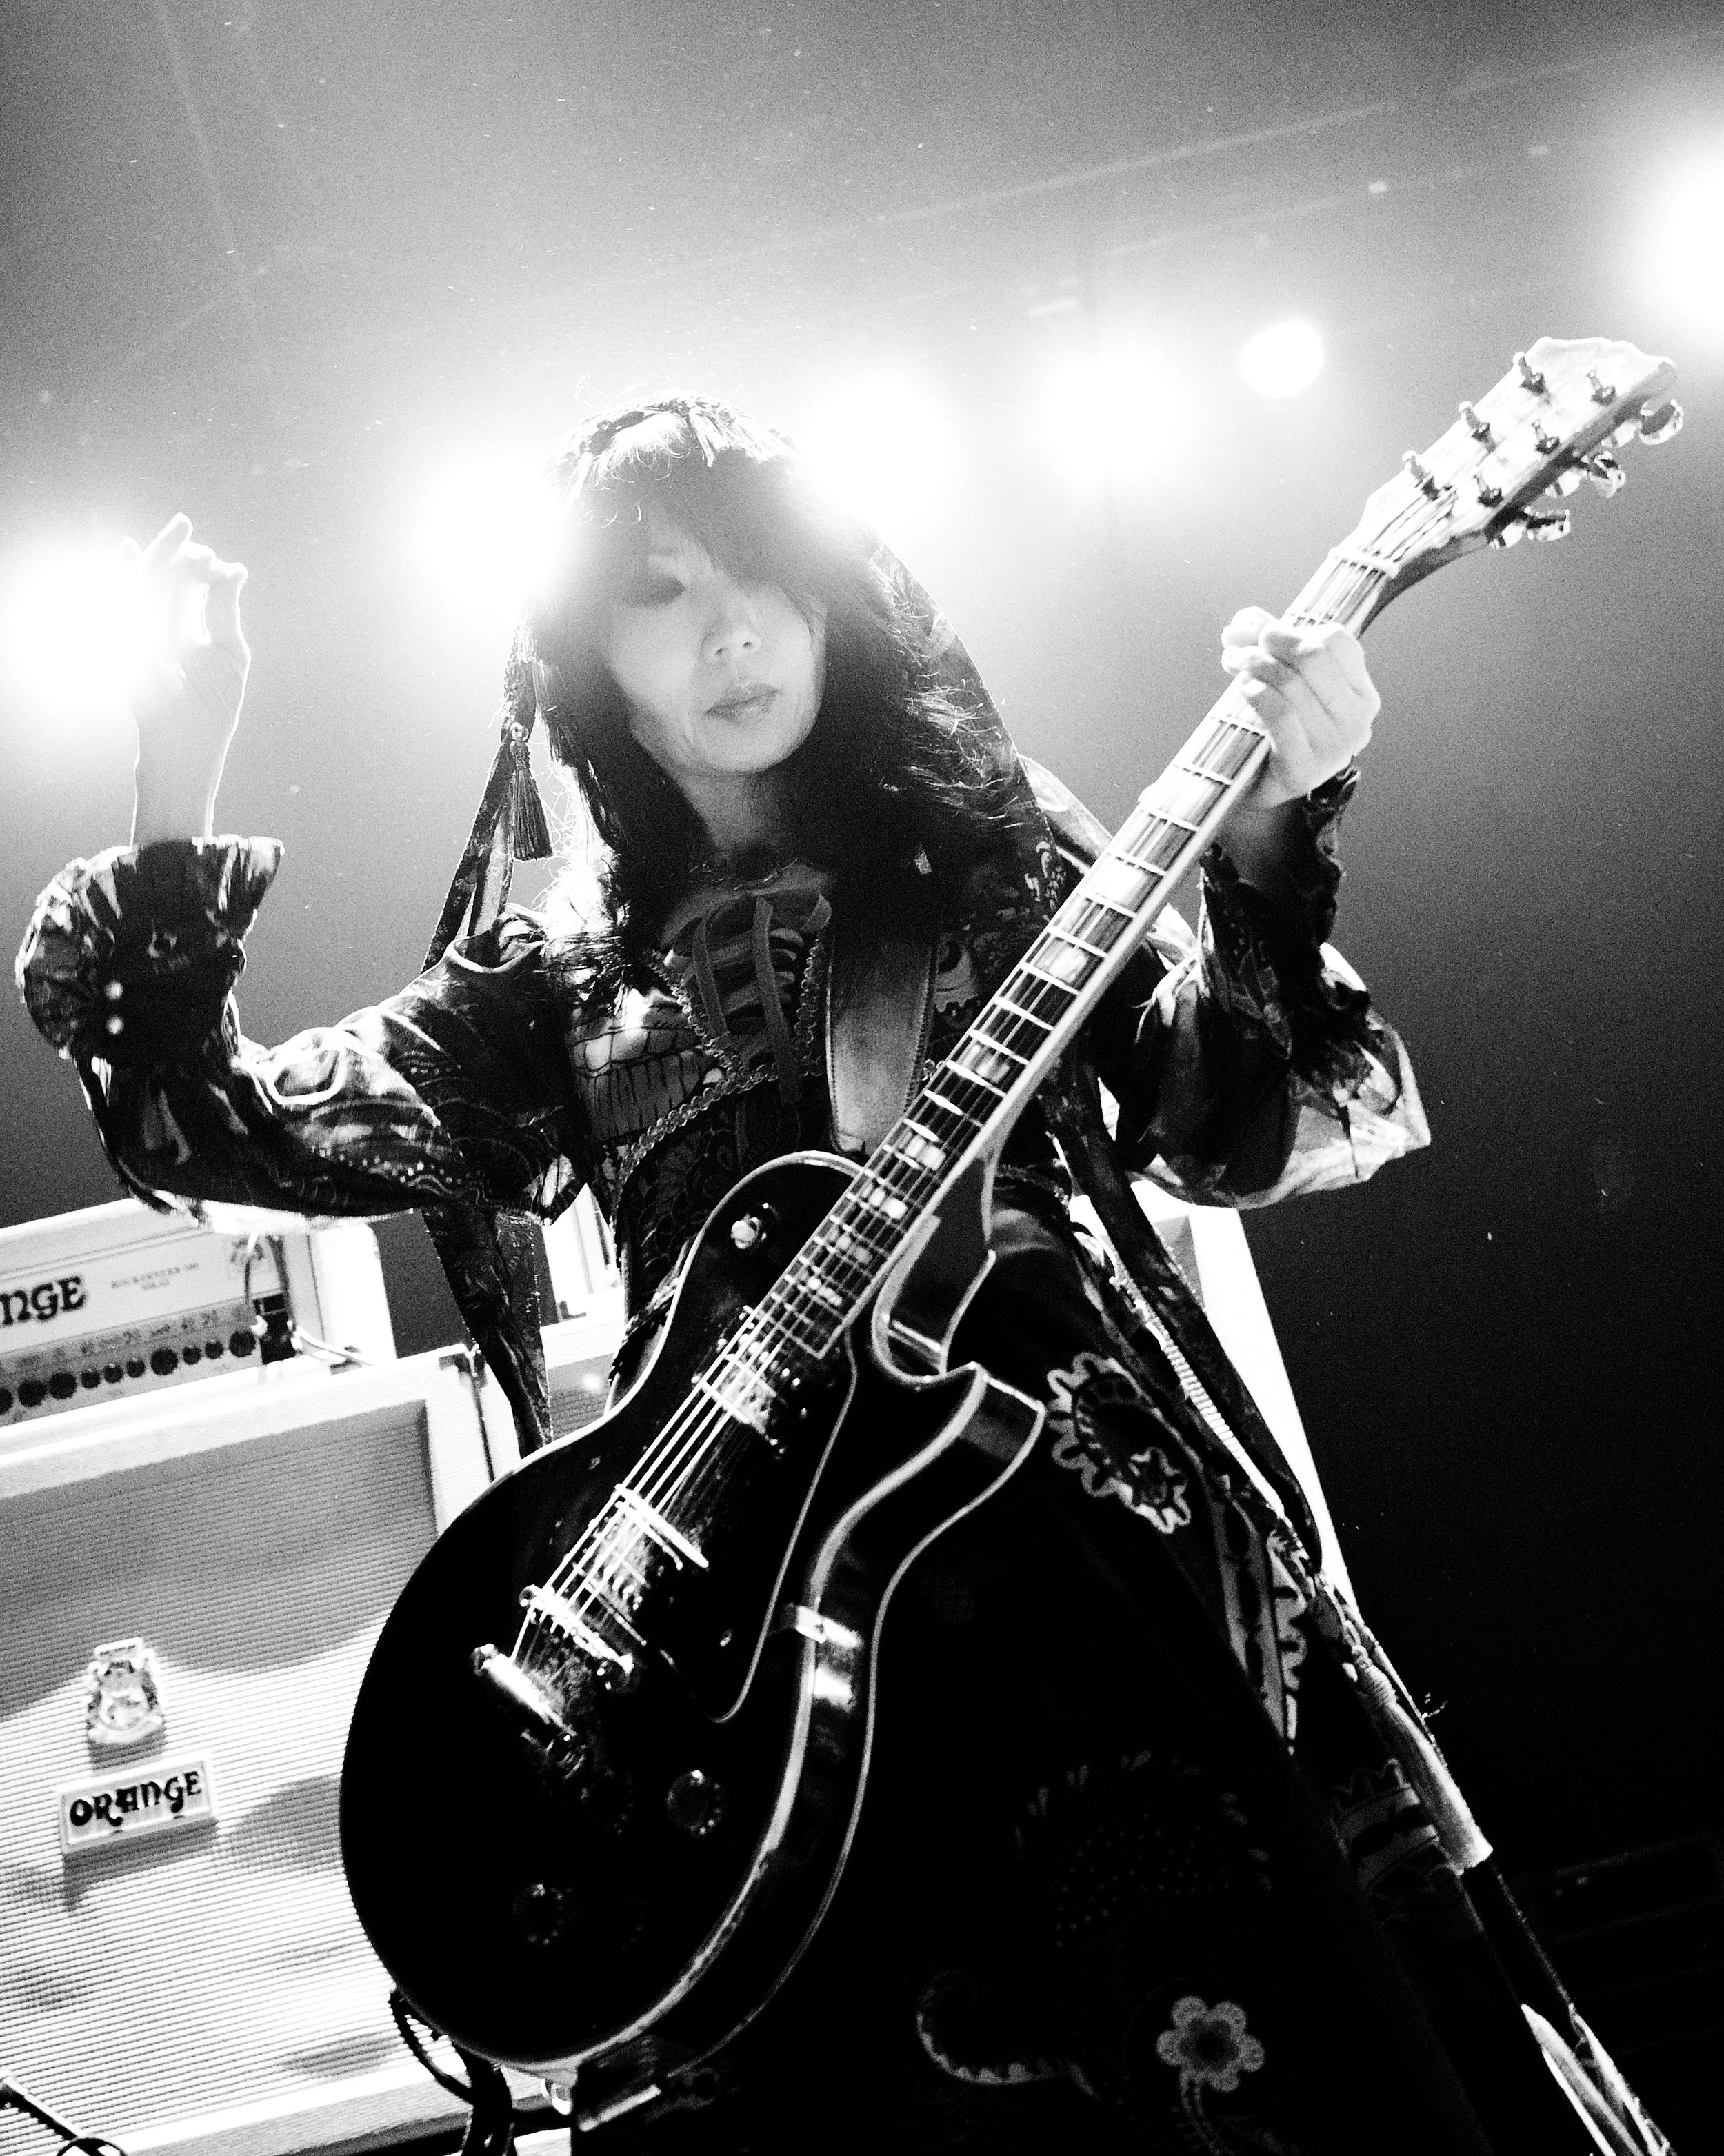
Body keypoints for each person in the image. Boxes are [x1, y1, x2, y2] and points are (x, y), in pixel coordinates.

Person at [17, 399, 1663, 2155]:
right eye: (661, 593)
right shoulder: (556, 975)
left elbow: (1244, 1131)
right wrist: (175, 780)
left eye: (767, 583)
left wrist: (1276, 832)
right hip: (734, 1656)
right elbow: (219, 1138)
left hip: (1075, 1567)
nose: (730, 631)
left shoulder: (998, 854)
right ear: (590, 663)